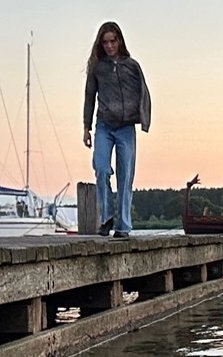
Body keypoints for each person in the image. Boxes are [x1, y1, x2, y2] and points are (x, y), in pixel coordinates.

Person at [82, 21, 150, 238]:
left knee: (125, 175)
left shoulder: (132, 66)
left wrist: (143, 120)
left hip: (126, 128)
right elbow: (89, 97)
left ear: (119, 40)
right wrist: (86, 127)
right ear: (100, 44)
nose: (110, 46)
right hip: (103, 125)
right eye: (105, 42)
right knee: (101, 168)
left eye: (113, 41)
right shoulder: (97, 68)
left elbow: (144, 94)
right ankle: (106, 218)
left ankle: (123, 226)